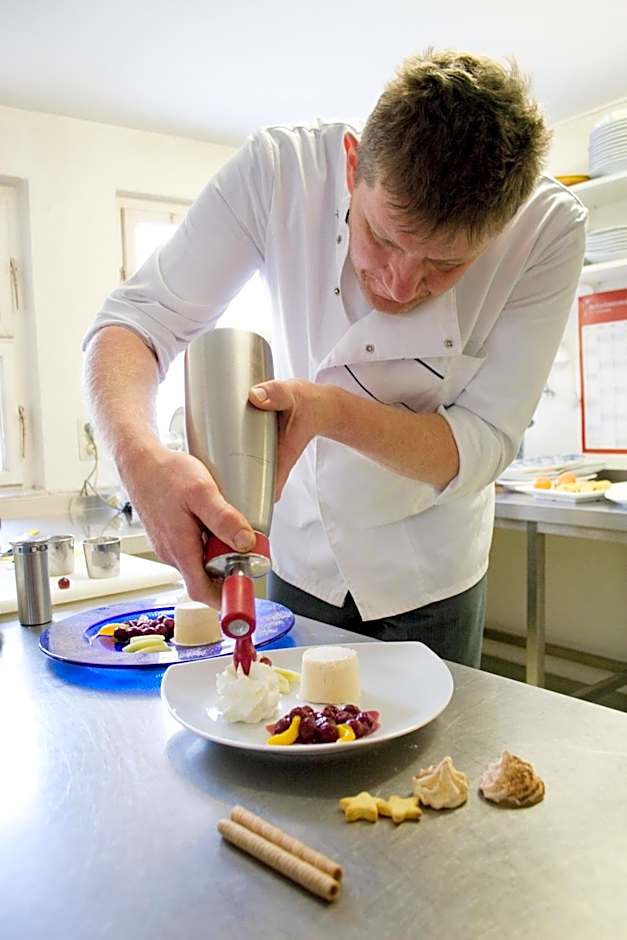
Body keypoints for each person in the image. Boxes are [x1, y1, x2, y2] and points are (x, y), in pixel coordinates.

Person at [83, 49, 587, 667]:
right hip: (297, 561)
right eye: (381, 238)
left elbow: (485, 440)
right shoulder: (279, 173)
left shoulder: (549, 229)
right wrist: (142, 461)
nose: (401, 285)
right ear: (353, 167)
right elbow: (134, 322)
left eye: (446, 265)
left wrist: (329, 412)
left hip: (433, 575)